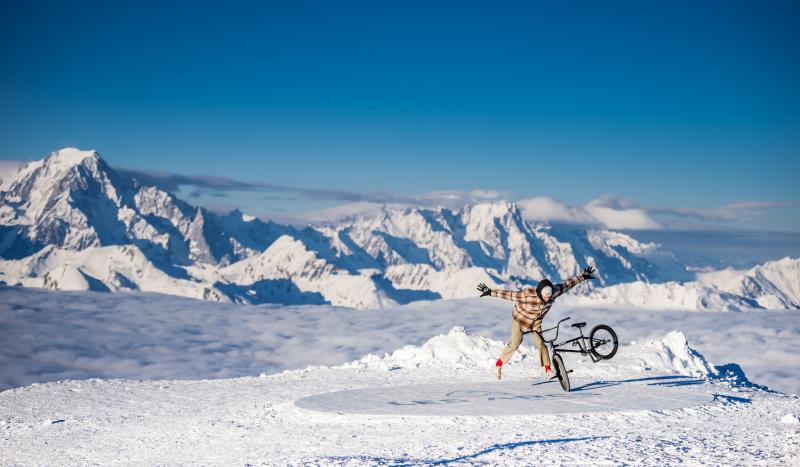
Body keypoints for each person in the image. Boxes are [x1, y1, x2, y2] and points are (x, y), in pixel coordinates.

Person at [477, 266, 595, 380]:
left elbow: (568, 284)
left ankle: (548, 370)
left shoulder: (554, 291)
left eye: (549, 297)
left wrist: (583, 276)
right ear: (540, 293)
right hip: (520, 319)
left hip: (536, 322)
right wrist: (491, 292)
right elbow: (510, 295)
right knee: (515, 343)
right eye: (545, 297)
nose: (548, 299)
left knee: (541, 344)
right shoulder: (528, 295)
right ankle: (498, 366)